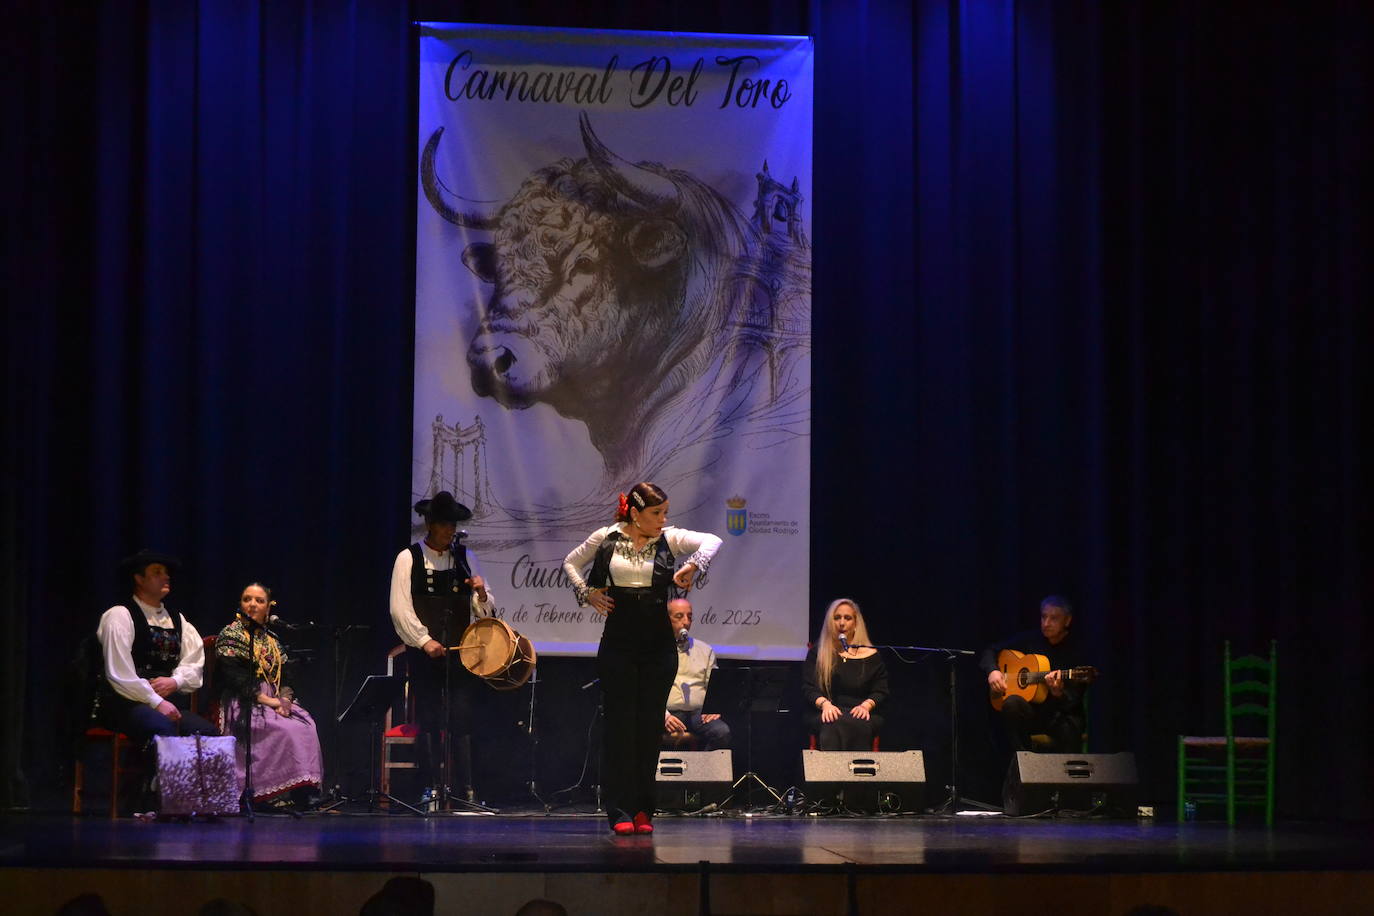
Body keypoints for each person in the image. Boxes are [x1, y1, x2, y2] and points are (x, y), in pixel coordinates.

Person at [563, 482, 722, 835]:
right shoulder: (607, 537)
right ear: (635, 513)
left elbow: (713, 540)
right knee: (621, 728)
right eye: (656, 513)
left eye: (665, 512)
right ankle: (618, 809)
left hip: (657, 645)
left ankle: (643, 810)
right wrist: (588, 594)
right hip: (619, 642)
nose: (663, 519)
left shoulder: (669, 537)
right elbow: (570, 562)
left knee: (648, 730)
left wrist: (694, 565)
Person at [389, 490, 496, 804]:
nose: (450, 530)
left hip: (460, 655)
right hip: (426, 655)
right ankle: (430, 786)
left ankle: (467, 789)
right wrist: (424, 640)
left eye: (453, 524)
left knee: (462, 720)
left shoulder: (465, 559)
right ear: (430, 524)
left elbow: (484, 610)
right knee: (429, 719)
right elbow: (400, 609)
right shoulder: (408, 558)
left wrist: (481, 595)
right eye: (444, 524)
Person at [215, 583, 323, 806]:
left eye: (259, 600)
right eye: (247, 599)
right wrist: (270, 701)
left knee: (306, 725)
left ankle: (302, 791)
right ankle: (265, 792)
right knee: (285, 729)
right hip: (246, 700)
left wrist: (284, 699)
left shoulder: (271, 638)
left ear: (268, 607)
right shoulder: (231, 634)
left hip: (274, 697)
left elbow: (285, 676)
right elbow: (235, 679)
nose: (252, 604)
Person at [95, 549, 219, 743]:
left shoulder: (177, 619)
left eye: (166, 573)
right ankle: (157, 774)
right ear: (139, 578)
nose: (165, 577)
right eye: (157, 572)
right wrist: (156, 701)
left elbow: (194, 663)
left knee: (207, 733)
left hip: (167, 704)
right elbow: (119, 673)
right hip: (126, 703)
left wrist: (175, 681)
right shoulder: (120, 616)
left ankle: (191, 775)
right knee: (162, 729)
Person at [979, 595, 1088, 753]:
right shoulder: (1031, 639)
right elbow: (990, 650)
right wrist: (993, 671)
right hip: (1034, 714)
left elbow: (1074, 699)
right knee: (1011, 704)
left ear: (1067, 620)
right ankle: (1023, 763)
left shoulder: (1076, 651)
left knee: (1069, 728)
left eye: (1054, 618)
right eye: (1044, 616)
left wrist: (1058, 693)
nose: (1046, 623)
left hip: (1060, 716)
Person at [802, 598, 888, 751]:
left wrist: (865, 706)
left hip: (861, 712)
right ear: (830, 623)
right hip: (828, 710)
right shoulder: (818, 653)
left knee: (859, 722)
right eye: (837, 618)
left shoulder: (872, 655)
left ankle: (859, 773)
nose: (842, 623)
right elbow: (809, 687)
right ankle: (830, 774)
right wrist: (825, 705)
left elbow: (881, 690)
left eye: (847, 618)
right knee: (833, 722)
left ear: (855, 623)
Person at [663, 597, 731, 751]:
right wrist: (664, 716)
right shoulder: (654, 650)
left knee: (721, 732)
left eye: (689, 616)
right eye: (679, 616)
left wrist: (714, 708)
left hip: (697, 714)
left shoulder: (704, 650)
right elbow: (648, 690)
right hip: (667, 712)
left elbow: (715, 686)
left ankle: (705, 773)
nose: (685, 622)